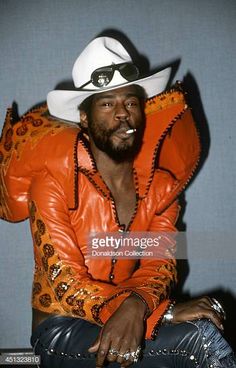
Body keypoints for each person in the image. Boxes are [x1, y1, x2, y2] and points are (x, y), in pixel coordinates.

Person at [0, 36, 235, 368]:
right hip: (62, 329)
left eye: (131, 102)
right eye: (107, 104)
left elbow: (160, 264)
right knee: (201, 341)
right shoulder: (51, 179)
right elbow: (66, 281)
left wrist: (139, 306)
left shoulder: (161, 185)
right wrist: (160, 313)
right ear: (84, 117)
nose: (123, 115)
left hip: (130, 315)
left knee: (208, 323)